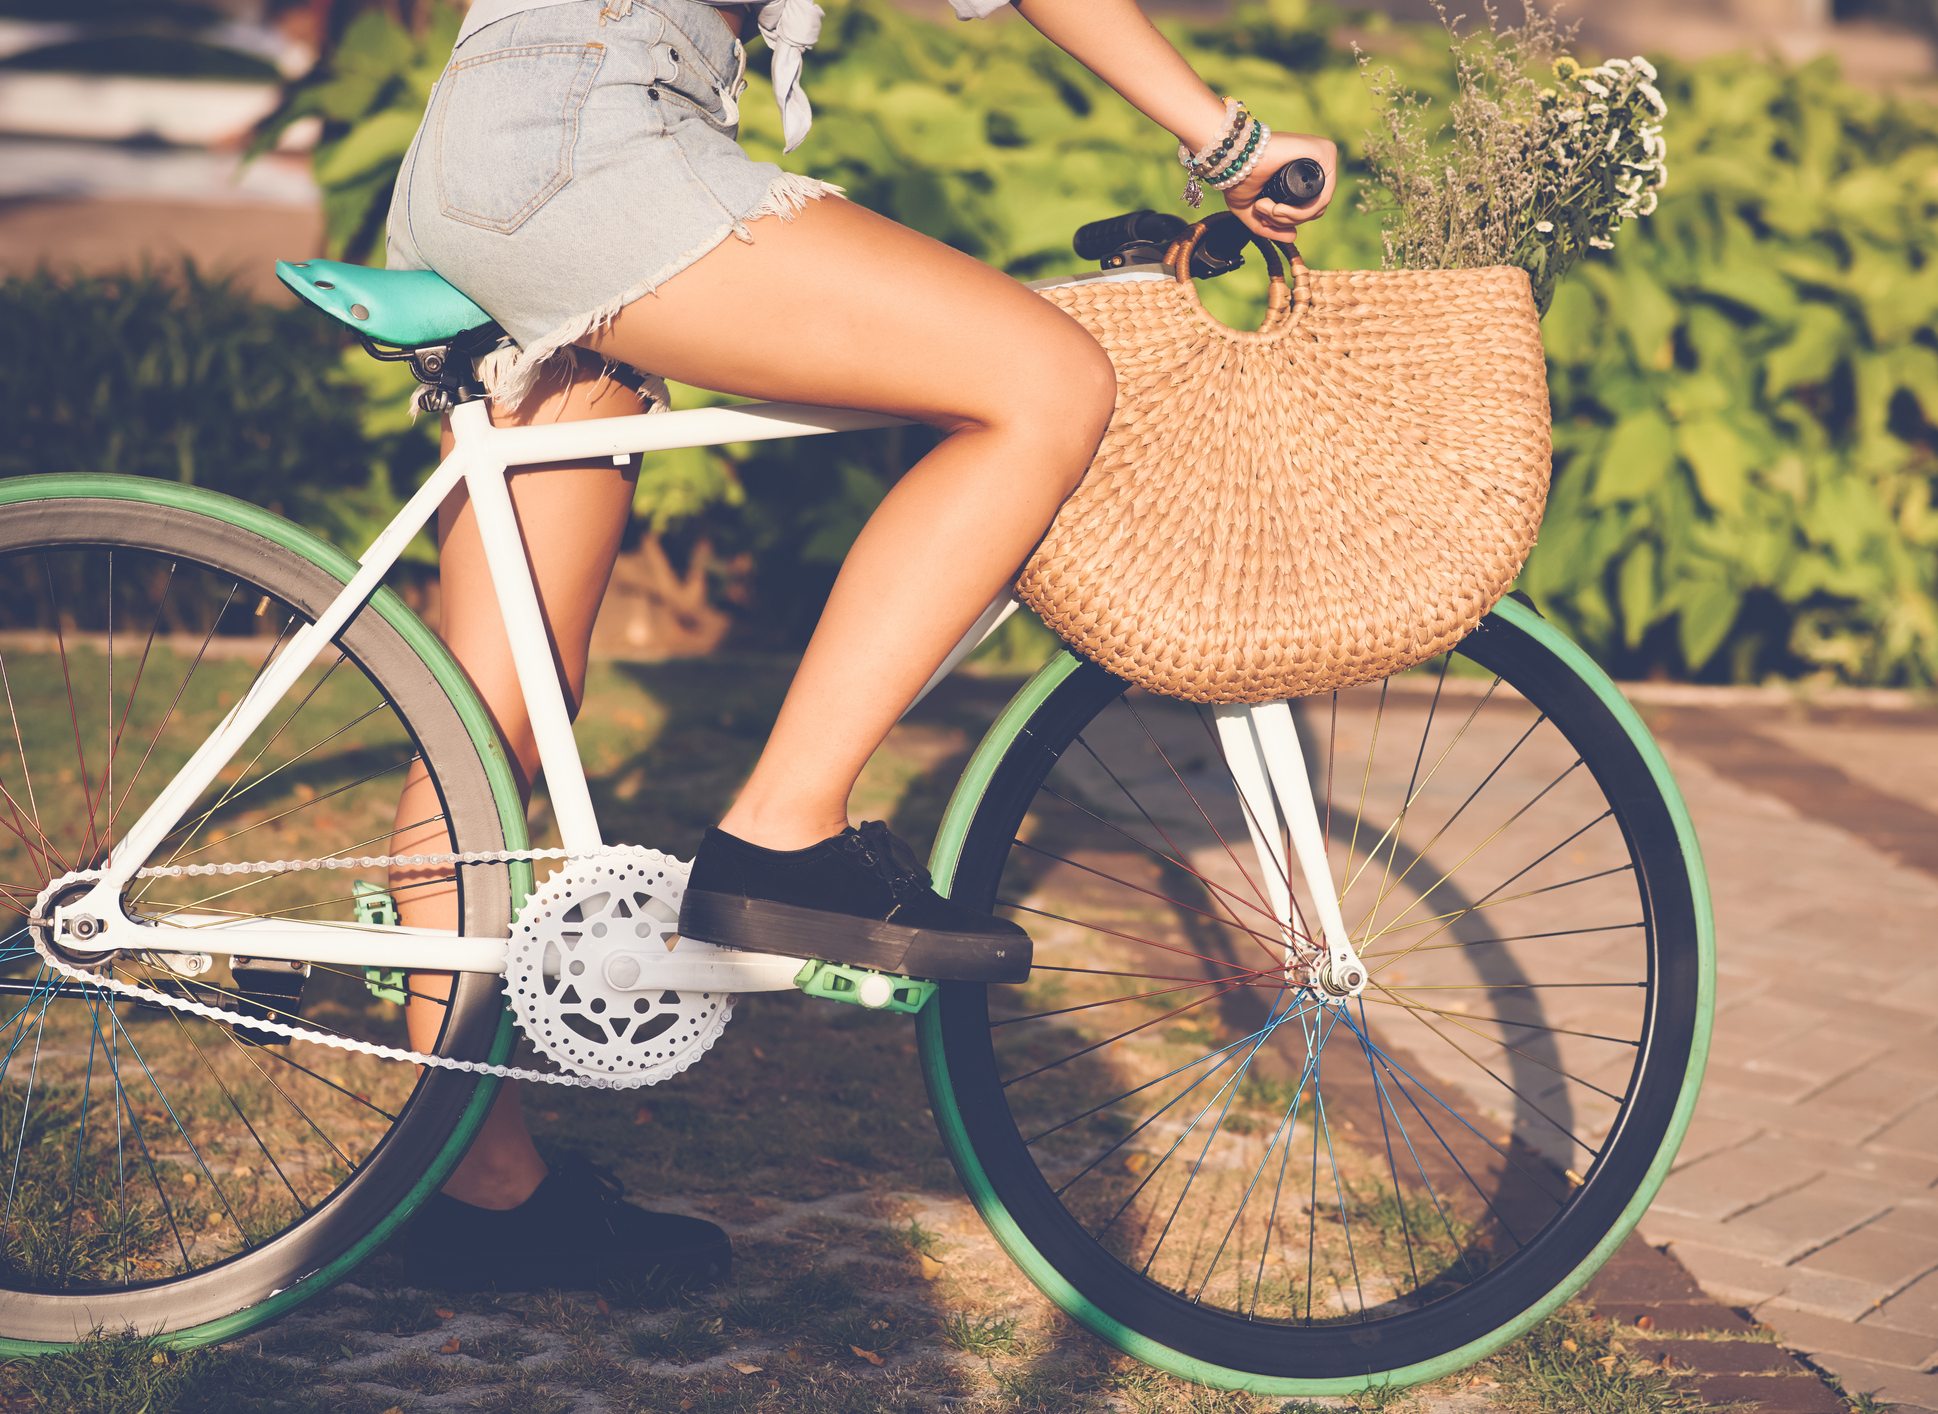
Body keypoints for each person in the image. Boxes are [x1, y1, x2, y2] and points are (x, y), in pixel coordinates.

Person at [377, 0, 1337, 1291]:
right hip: (589, 141)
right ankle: (783, 833)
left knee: (489, 721)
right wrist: (1226, 140)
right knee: (1045, 381)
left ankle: (473, 1188)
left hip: (495, 141)